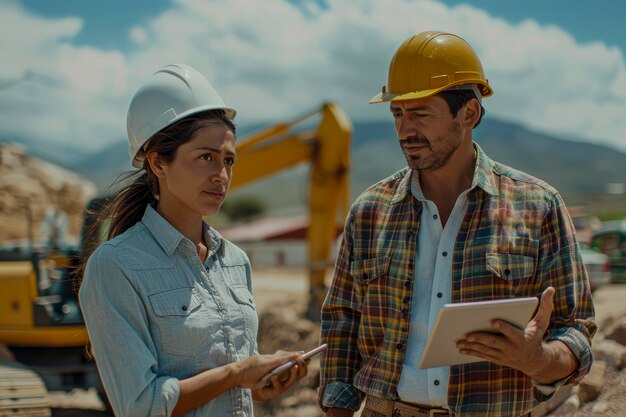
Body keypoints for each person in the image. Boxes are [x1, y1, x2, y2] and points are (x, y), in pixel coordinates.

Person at [318, 31, 597, 417]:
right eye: (397, 113)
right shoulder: (369, 211)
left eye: (420, 113)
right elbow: (342, 323)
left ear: (469, 113)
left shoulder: (538, 206)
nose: (404, 130)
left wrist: (540, 358)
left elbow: (575, 327)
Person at [78, 63, 308, 417]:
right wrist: (235, 375)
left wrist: (258, 385)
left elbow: (233, 383)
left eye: (228, 160)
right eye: (205, 157)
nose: (221, 175)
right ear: (157, 162)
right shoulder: (115, 267)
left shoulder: (235, 261)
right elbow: (140, 406)